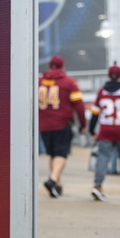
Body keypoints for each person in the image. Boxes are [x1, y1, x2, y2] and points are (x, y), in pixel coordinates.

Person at [88, 65, 120, 201]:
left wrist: (91, 129)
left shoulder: (101, 92)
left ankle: (97, 186)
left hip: (105, 130)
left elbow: (94, 113)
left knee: (103, 158)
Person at [38, 55, 87, 198]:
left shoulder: (39, 82)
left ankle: (56, 186)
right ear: (63, 67)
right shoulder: (69, 83)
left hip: (44, 126)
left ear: (49, 67)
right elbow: (79, 106)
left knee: (53, 155)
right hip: (61, 124)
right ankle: (53, 179)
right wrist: (83, 125)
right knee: (61, 154)